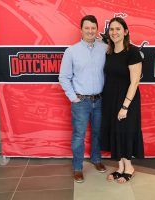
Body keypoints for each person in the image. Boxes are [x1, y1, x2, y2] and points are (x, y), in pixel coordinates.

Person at [59, 15, 107, 183]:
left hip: (100, 100)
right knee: (79, 135)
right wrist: (73, 98)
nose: (90, 31)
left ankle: (96, 159)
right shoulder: (71, 51)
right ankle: (78, 167)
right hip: (81, 101)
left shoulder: (104, 48)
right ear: (81, 30)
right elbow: (64, 77)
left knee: (97, 133)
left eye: (93, 28)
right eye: (87, 28)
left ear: (97, 29)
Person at [101, 17, 144, 183]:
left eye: (118, 29)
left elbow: (135, 82)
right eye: (111, 29)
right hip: (110, 99)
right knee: (114, 131)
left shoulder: (132, 52)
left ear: (125, 32)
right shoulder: (109, 52)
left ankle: (129, 168)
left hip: (127, 100)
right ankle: (120, 167)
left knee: (125, 131)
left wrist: (125, 106)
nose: (114, 32)